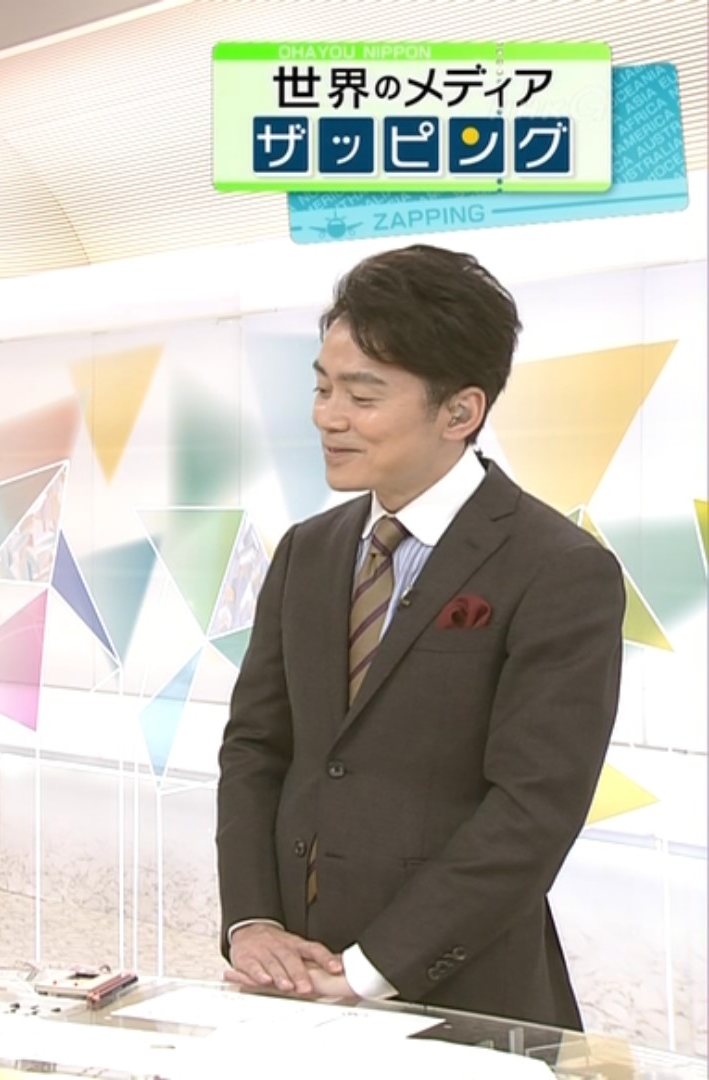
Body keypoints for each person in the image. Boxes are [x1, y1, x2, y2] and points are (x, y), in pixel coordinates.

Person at [215, 244, 625, 1029]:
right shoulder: (308, 551)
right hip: (288, 992)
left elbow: (533, 808)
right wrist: (252, 923)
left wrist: (370, 971)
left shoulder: (559, 569)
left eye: (362, 396)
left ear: (460, 413)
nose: (327, 416)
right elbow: (256, 749)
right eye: (322, 387)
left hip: (467, 1003)